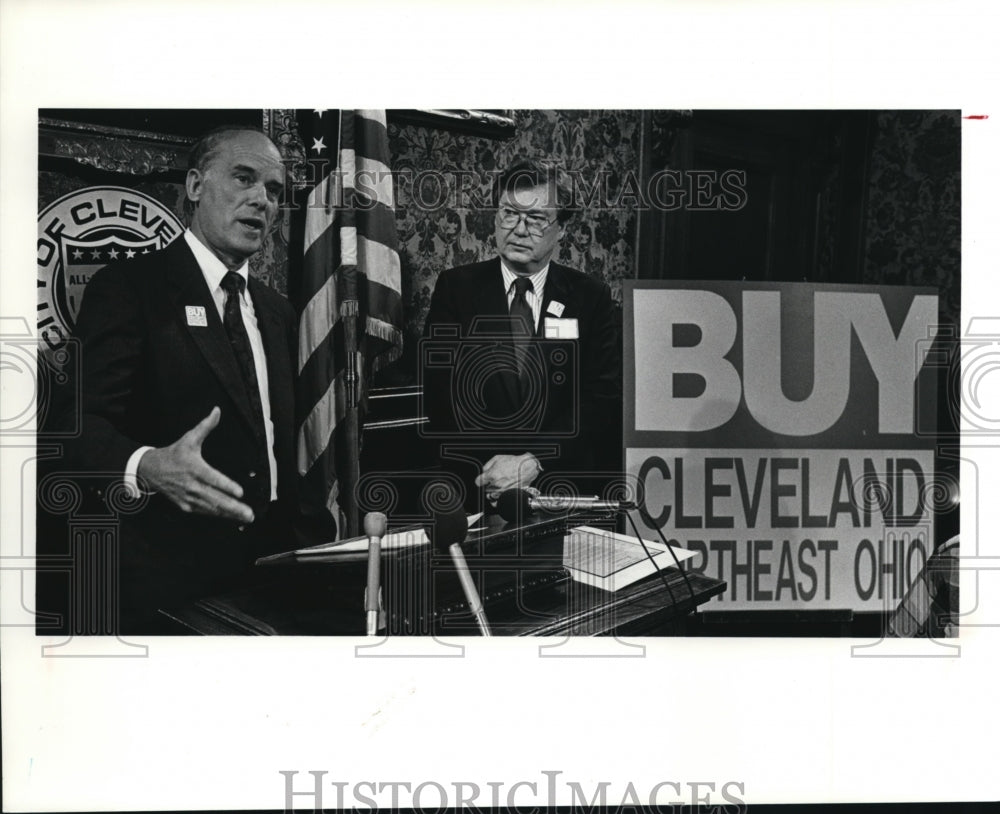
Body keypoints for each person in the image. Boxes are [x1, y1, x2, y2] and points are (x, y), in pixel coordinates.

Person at [60, 126, 301, 632]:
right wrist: (147, 465)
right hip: (168, 586)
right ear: (195, 186)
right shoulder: (130, 287)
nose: (261, 200)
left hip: (272, 573)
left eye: (274, 190)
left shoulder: (277, 312)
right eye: (243, 178)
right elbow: (77, 425)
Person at [422, 158, 621, 509]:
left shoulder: (591, 297)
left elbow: (599, 399)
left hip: (561, 488)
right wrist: (495, 472)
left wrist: (530, 462)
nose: (519, 228)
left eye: (536, 218)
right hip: (476, 488)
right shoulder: (456, 288)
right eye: (510, 213)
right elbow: (441, 392)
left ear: (561, 229)